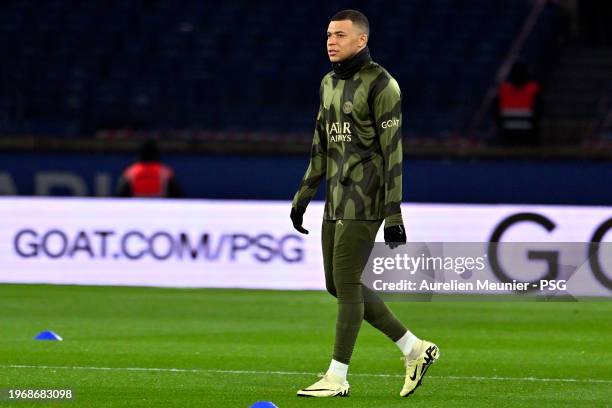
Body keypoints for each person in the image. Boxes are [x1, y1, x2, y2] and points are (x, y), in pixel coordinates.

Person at [290, 9, 439, 398]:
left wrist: (394, 212)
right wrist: (303, 195)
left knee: (347, 280)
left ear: (361, 40)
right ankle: (414, 349)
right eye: (328, 34)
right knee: (337, 285)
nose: (330, 41)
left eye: (339, 34)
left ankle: (337, 376)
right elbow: (320, 145)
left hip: (367, 199)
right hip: (335, 200)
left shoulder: (382, 84)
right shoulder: (327, 84)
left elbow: (394, 153)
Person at [116, 139, 182, 198]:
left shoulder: (131, 172)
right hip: (159, 209)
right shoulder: (165, 172)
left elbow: (120, 196)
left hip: (136, 209)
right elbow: (178, 196)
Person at [496, 62, 542, 147]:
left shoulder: (533, 89)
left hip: (528, 135)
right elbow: (496, 111)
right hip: (507, 134)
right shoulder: (504, 89)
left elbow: (539, 112)